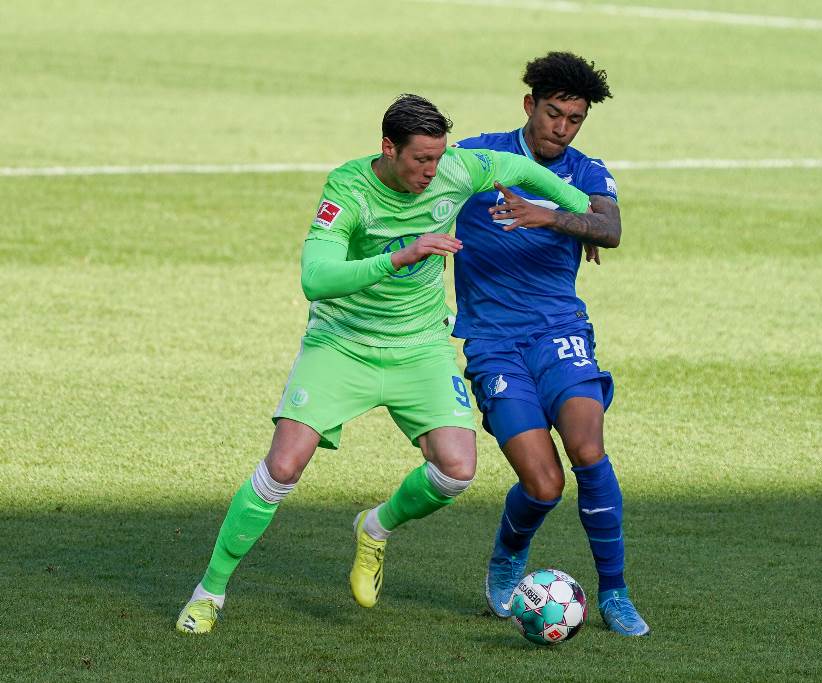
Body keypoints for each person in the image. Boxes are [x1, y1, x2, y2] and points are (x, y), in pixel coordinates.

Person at [175, 94, 591, 634]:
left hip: (420, 345)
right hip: (342, 343)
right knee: (283, 467)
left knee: (457, 471)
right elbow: (316, 276)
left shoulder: (455, 170)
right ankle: (210, 591)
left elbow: (513, 167)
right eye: (421, 159)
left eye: (438, 158)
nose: (432, 171)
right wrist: (401, 255)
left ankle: (375, 527)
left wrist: (578, 209)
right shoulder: (348, 188)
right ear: (387, 148)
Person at [452, 53, 650, 636]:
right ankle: (508, 559)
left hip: (559, 330)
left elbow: (609, 229)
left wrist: (553, 216)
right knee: (544, 484)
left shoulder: (586, 173)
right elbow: (419, 187)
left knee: (588, 450)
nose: (561, 129)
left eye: (575, 119)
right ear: (529, 106)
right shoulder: (479, 155)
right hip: (492, 342)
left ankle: (615, 593)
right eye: (554, 113)